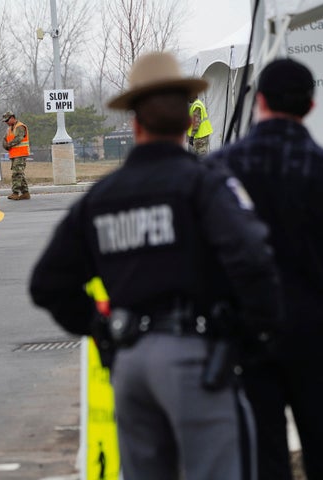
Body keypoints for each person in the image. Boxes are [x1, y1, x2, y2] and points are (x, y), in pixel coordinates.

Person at [29, 51, 283, 480]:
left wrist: (102, 330)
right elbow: (254, 260)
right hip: (196, 360)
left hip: (131, 365)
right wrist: (247, 337)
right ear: (189, 123)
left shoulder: (102, 197)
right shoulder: (204, 183)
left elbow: (47, 283)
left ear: (134, 124)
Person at [207, 58, 323, 480]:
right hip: (316, 333)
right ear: (310, 106)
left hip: (247, 334)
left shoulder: (220, 169)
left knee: (262, 455)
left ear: (259, 102)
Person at [1, 111, 30, 200]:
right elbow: (5, 139)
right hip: (14, 154)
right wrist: (5, 145)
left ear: (13, 118)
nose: (6, 123)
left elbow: (19, 138)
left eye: (7, 120)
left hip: (21, 154)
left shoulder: (20, 126)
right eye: (5, 121)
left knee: (16, 173)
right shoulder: (9, 129)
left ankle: (15, 192)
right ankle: (25, 193)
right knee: (20, 173)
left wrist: (8, 145)